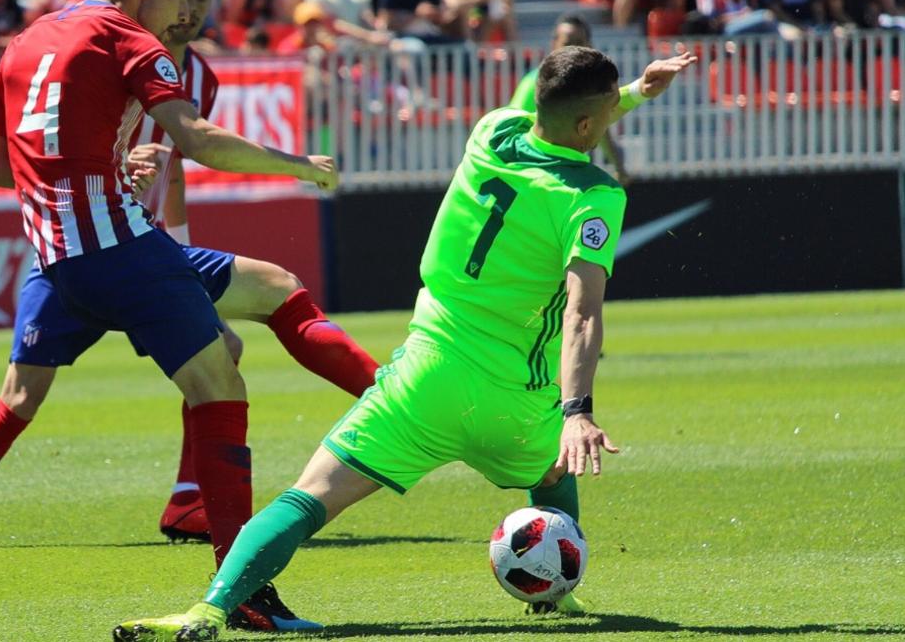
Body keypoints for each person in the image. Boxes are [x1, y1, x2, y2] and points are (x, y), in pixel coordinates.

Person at [114, 46, 699, 642]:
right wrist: (577, 412)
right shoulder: (596, 195)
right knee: (552, 471)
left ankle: (208, 611)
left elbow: (568, 121)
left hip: (424, 379)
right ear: (587, 125)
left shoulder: (494, 130)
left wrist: (632, 94)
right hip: (515, 400)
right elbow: (581, 314)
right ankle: (555, 594)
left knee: (309, 496)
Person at [0, 0, 364, 630]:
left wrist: (74, 179)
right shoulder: (127, 38)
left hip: (72, 252)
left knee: (272, 288)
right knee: (218, 384)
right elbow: (204, 142)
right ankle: (241, 587)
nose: (186, 10)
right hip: (116, 250)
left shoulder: (28, 39)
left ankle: (382, 399)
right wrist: (300, 166)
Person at [509, 15, 630, 184]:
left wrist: (619, 167)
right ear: (554, 45)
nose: (574, 49)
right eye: (568, 43)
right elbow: (512, 130)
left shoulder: (590, 89)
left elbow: (602, 131)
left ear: (590, 47)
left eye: (580, 42)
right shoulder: (534, 83)